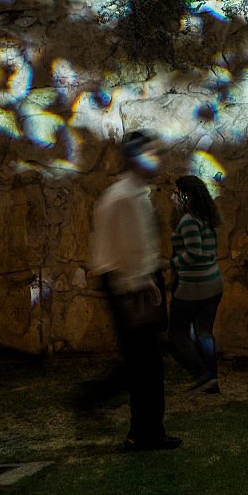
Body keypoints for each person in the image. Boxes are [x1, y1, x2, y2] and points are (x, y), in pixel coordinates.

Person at [87, 131, 179, 451]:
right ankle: (102, 406)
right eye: (150, 155)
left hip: (132, 282)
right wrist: (146, 283)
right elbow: (128, 250)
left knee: (146, 364)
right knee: (142, 364)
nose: (156, 160)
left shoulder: (135, 194)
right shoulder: (124, 197)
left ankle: (147, 431)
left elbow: (139, 247)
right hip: (127, 285)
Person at [169, 175, 224, 394]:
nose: (172, 196)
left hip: (194, 285)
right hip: (213, 282)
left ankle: (203, 375)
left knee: (177, 333)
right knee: (204, 333)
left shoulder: (189, 220)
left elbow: (193, 252)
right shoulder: (207, 217)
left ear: (184, 195)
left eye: (176, 192)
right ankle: (212, 381)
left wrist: (168, 263)